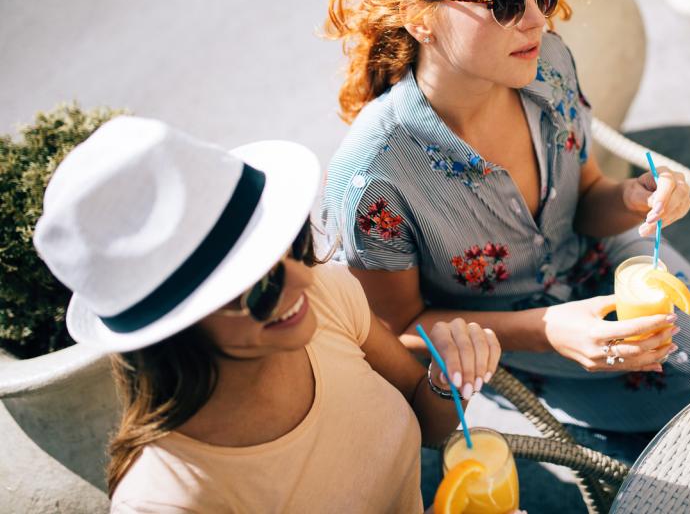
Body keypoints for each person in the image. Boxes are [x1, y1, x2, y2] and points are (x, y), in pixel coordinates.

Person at [323, 0, 690, 450]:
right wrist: (547, 331)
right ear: (420, 17)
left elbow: (586, 198)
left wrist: (632, 198)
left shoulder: (549, 64)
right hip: (517, 343)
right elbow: (399, 331)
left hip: (613, 262)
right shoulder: (374, 177)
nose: (538, 19)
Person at [33, 117, 501, 513]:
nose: (301, 278)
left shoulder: (324, 296)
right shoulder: (166, 500)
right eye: (261, 284)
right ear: (173, 331)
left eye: (293, 245)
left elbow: (428, 421)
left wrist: (444, 381)